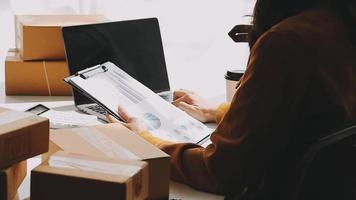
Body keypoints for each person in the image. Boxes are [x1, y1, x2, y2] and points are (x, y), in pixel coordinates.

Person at [108, 0, 356, 198]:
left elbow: (218, 173)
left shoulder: (287, 41)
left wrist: (144, 141)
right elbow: (314, 118)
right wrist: (219, 111)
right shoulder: (340, 22)